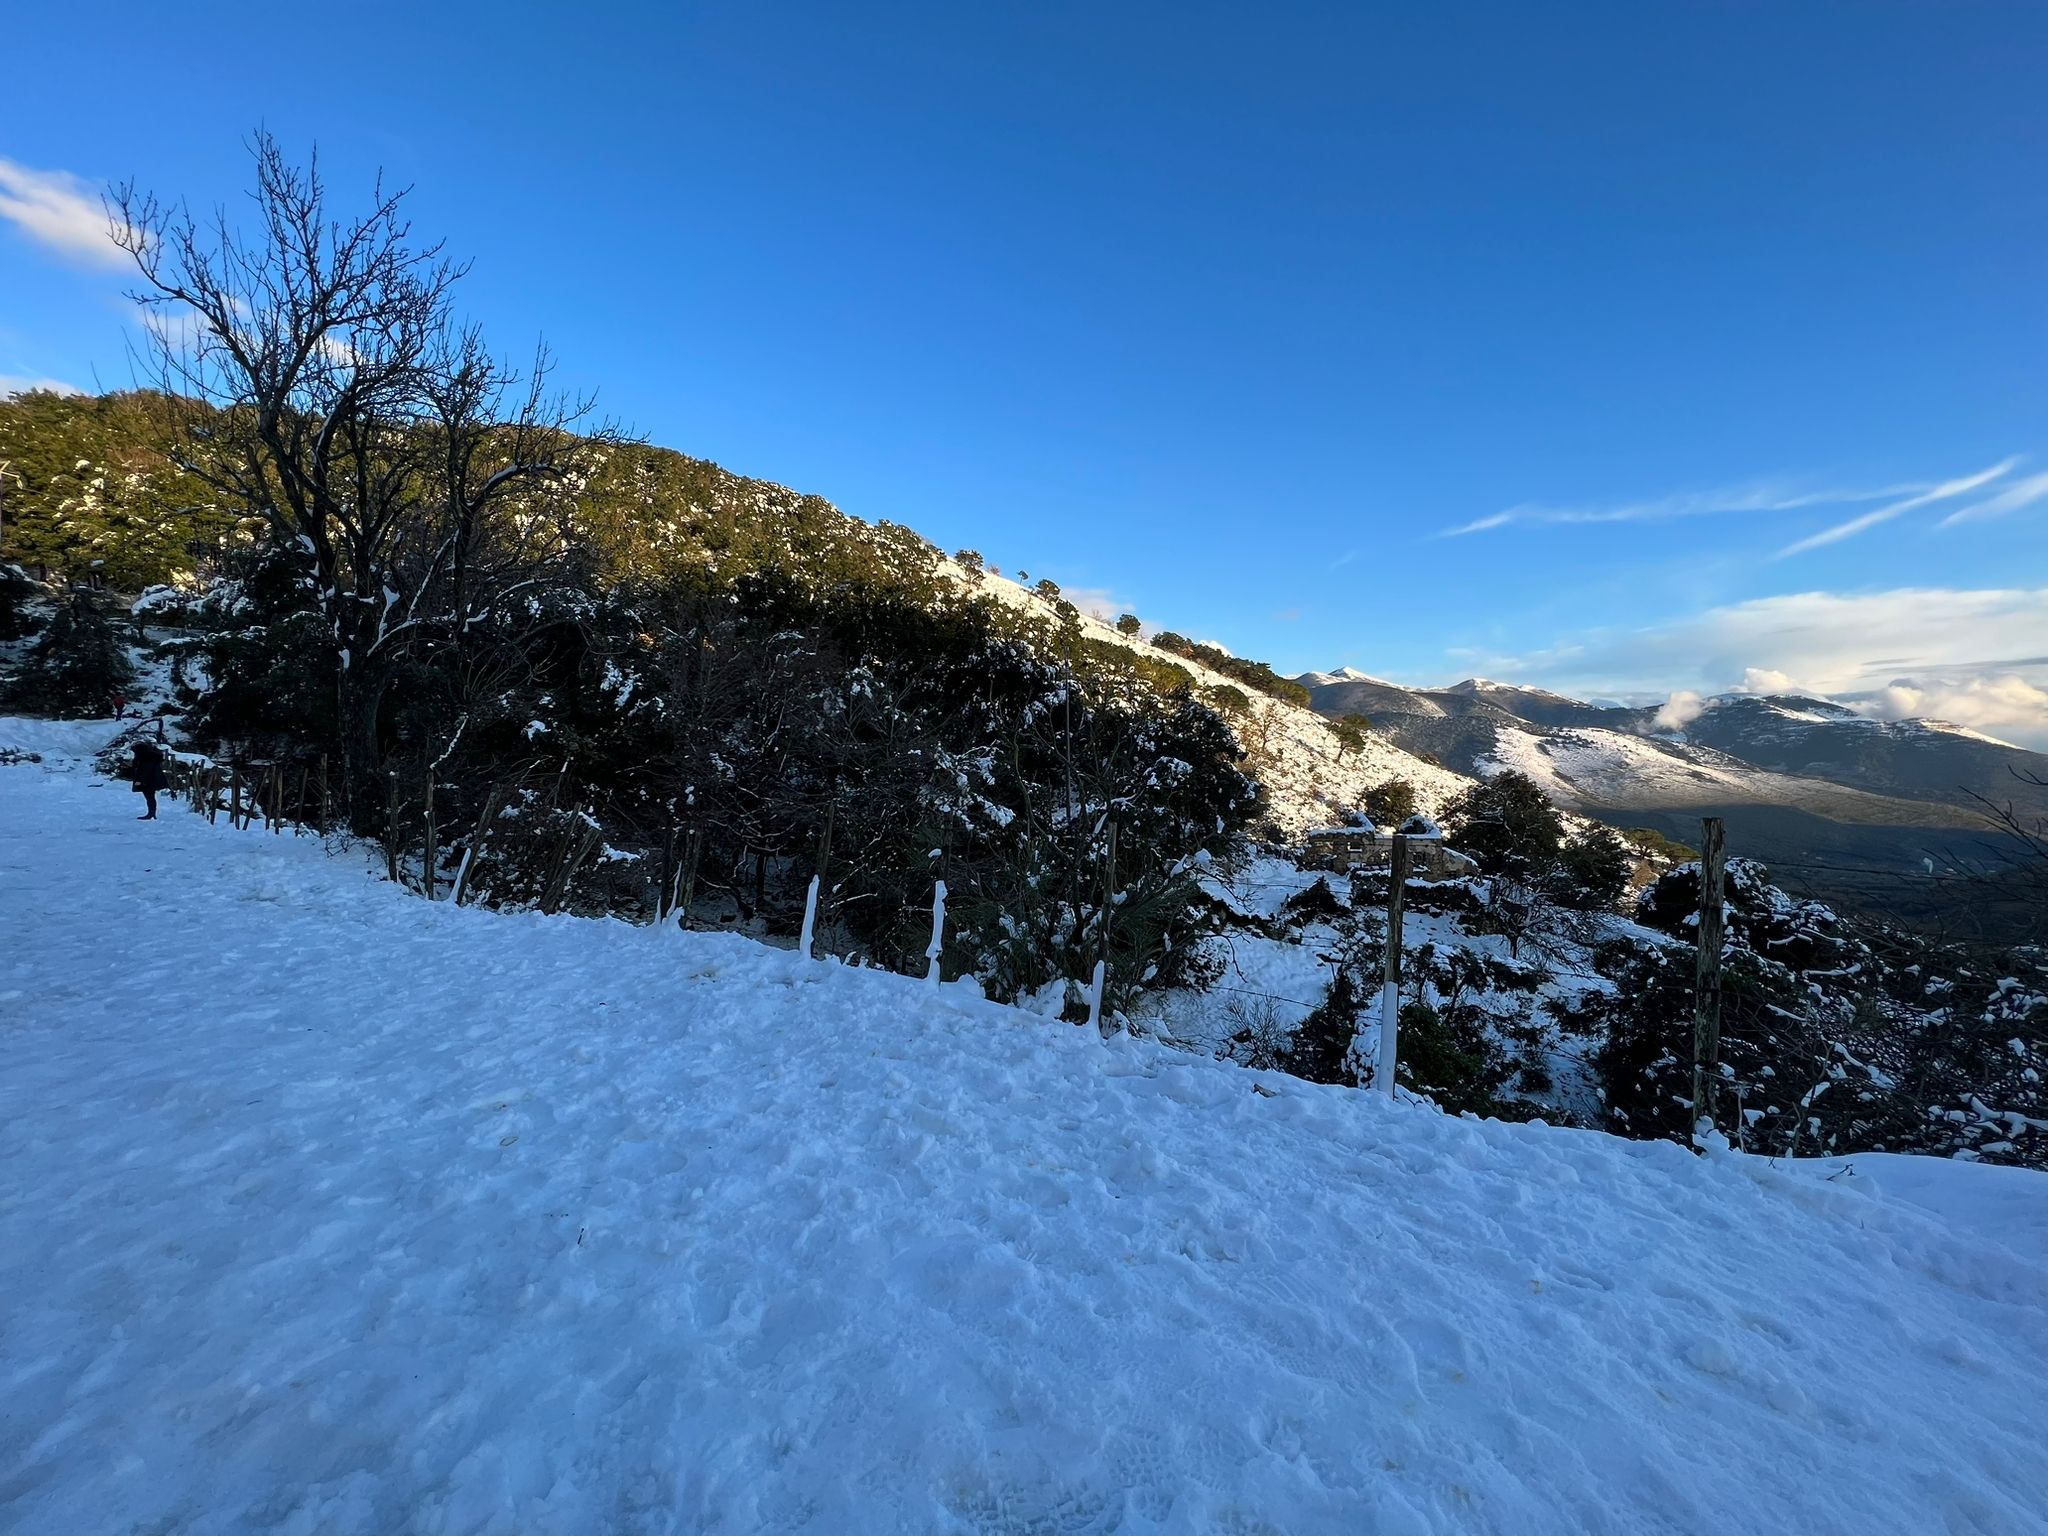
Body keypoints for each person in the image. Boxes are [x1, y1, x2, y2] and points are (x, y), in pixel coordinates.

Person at [130, 740, 168, 820]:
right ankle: (151, 813)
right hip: (152, 780)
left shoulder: (145, 759)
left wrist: (140, 781)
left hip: (148, 781)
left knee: (149, 797)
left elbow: (145, 771)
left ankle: (151, 814)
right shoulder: (150, 757)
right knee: (150, 797)